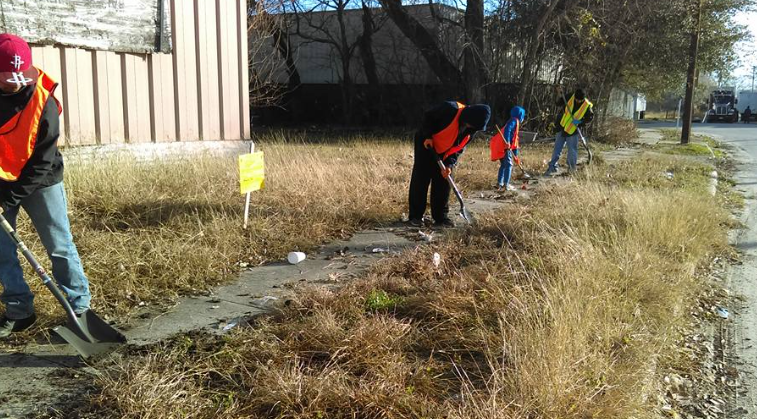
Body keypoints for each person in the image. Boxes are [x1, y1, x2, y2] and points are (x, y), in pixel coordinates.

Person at [0, 34, 91, 338]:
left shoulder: (44, 102)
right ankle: (19, 310)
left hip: (42, 180)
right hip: (1, 178)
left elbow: (41, 162)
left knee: (59, 245)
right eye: (6, 78)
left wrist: (10, 197)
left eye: (19, 77)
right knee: (1, 249)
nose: (15, 84)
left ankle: (79, 309)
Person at [408, 101, 491, 227]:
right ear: (468, 117)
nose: (470, 127)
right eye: (470, 124)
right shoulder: (450, 108)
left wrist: (449, 164)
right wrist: (428, 135)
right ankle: (416, 216)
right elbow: (428, 116)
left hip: (445, 153)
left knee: (444, 180)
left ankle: (441, 217)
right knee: (421, 178)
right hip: (426, 144)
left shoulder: (471, 130)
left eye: (473, 127)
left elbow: (459, 149)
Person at [544, 88, 594, 175]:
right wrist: (559, 95)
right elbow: (558, 103)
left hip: (572, 130)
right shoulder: (570, 96)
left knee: (572, 150)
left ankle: (571, 169)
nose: (578, 101)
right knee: (557, 148)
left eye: (580, 100)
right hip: (562, 126)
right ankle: (552, 167)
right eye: (576, 99)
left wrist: (580, 122)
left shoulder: (587, 106)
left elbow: (589, 118)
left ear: (583, 99)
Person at [490, 106, 526, 191]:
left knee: (504, 165)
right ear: (520, 116)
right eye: (523, 116)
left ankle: (499, 183)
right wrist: (507, 142)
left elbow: (515, 143)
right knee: (509, 164)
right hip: (504, 146)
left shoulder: (514, 122)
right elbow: (507, 129)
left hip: (503, 146)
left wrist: (516, 157)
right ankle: (506, 185)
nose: (523, 119)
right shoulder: (514, 121)